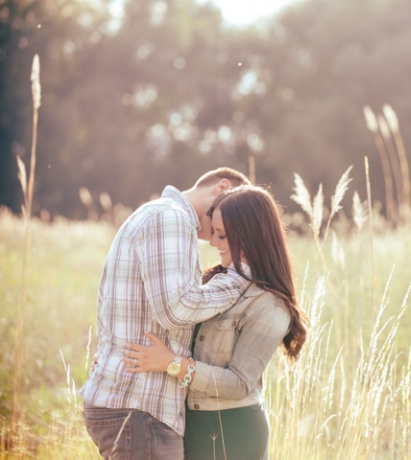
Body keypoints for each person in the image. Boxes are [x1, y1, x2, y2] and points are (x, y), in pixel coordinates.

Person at [122, 185, 308, 460]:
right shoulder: (213, 284)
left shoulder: (270, 306)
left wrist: (171, 363)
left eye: (221, 235)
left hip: (232, 428)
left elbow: (238, 383)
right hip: (190, 423)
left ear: (249, 237)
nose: (213, 242)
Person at [81, 168, 252, 459]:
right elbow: (177, 309)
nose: (221, 239)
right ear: (221, 188)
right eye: (228, 222)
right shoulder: (170, 218)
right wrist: (238, 278)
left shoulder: (164, 217)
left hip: (135, 405)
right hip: (138, 406)